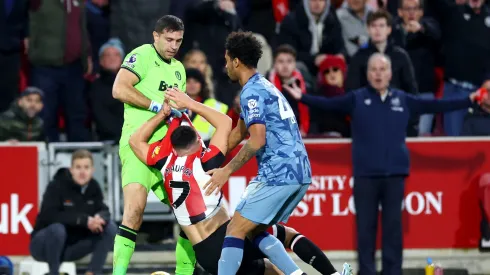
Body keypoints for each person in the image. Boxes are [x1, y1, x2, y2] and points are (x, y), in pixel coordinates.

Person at [283, 53, 489, 275]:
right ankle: (368, 272)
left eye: (382, 69)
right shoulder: (357, 98)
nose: (378, 74)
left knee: (393, 230)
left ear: (390, 73)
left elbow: (435, 105)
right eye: (374, 69)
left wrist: (468, 99)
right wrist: (301, 97)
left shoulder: (403, 99)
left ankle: (393, 272)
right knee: (366, 230)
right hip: (365, 176)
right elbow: (328, 104)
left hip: (395, 175)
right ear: (367, 73)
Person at [129, 90, 350, 275]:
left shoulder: (164, 162)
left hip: (204, 254)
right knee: (282, 234)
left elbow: (135, 141)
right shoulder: (206, 161)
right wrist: (190, 104)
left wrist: (161, 114)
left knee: (268, 269)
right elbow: (225, 121)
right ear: (198, 139)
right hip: (223, 239)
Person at [203, 31, 311, 275]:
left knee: (235, 229)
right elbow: (239, 133)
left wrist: (225, 171)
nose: (226, 66)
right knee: (254, 230)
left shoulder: (250, 93)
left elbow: (257, 140)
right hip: (299, 171)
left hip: (279, 173)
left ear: (236, 61)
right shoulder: (263, 86)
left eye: (227, 60)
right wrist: (207, 157)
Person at [110, 15, 193, 275]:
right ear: (155, 36)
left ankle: (185, 273)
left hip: (168, 151)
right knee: (134, 211)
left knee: (190, 216)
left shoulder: (179, 68)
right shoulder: (142, 54)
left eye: (178, 41)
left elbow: (177, 108)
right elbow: (119, 89)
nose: (173, 45)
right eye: (168, 39)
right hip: (138, 146)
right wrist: (156, 105)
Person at [30, 150, 117, 275]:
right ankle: (53, 272)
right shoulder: (56, 186)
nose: (82, 172)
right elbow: (48, 215)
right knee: (57, 229)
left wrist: (99, 218)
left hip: (72, 247)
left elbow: (103, 209)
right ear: (71, 170)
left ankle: (93, 272)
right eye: (78, 167)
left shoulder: (94, 187)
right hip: (43, 246)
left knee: (110, 228)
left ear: (92, 170)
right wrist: (84, 221)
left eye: (86, 167)